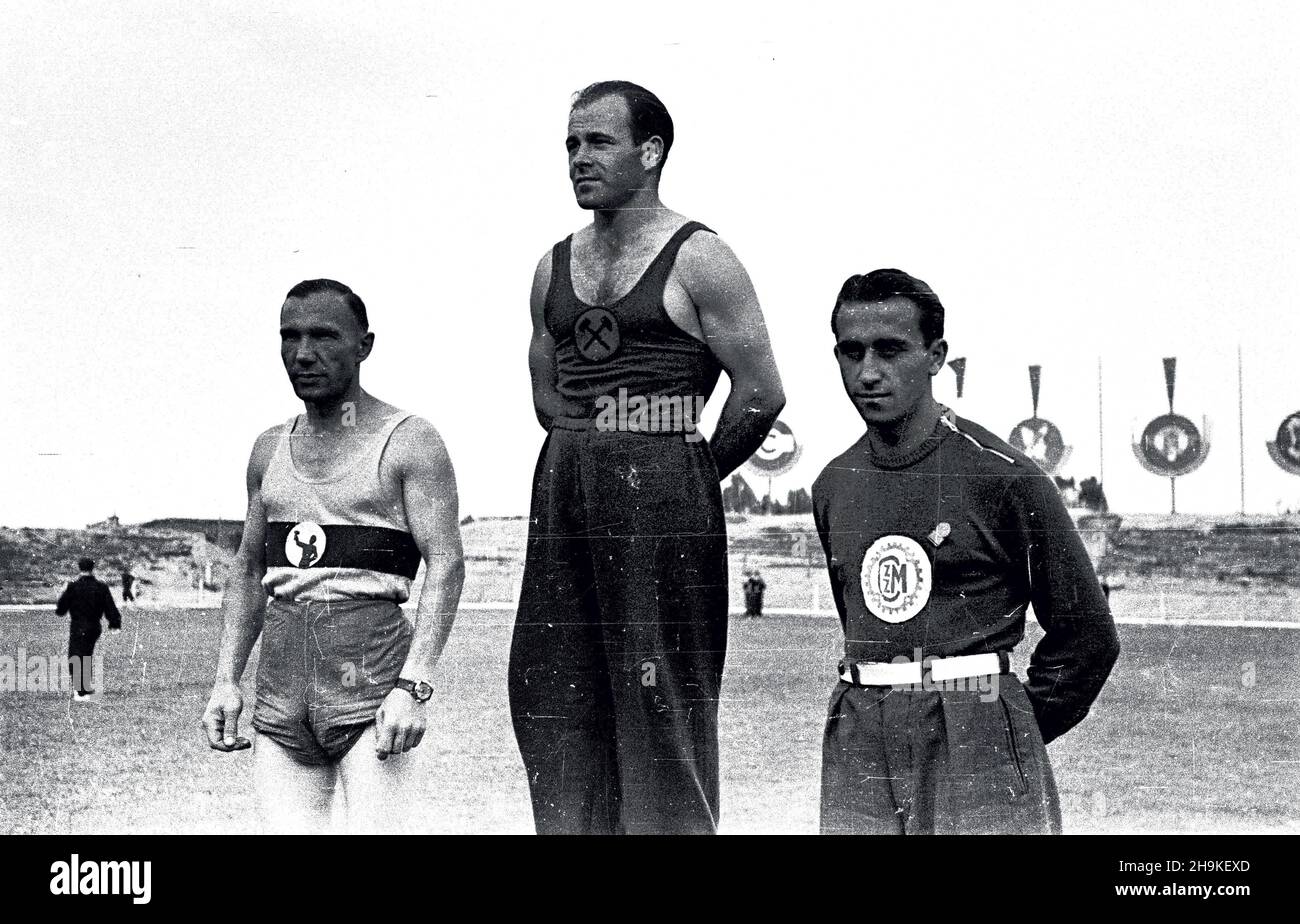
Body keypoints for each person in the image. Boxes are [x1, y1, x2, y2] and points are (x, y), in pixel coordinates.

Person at [508, 80, 785, 834]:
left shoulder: (701, 259)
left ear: (651, 151)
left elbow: (761, 394)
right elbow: (546, 395)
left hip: (662, 503)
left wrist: (681, 473)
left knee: (659, 703)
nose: (577, 159)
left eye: (598, 141)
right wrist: (590, 454)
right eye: (570, 143)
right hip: (564, 499)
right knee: (550, 694)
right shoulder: (550, 267)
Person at [812, 269, 1120, 834]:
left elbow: (1088, 638)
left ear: (936, 356)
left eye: (891, 350)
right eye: (851, 352)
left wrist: (1004, 727)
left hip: (973, 733)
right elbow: (866, 621)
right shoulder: (834, 484)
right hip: (859, 738)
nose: (868, 372)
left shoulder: (1002, 476)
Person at [200, 278, 465, 834]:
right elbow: (249, 571)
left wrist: (413, 685)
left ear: (364, 345)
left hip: (371, 696)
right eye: (290, 337)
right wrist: (227, 679)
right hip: (281, 702)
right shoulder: (268, 448)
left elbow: (446, 564)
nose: (303, 354)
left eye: (323, 336)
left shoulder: (409, 440)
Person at [55, 557, 120, 700]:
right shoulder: (101, 586)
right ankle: (85, 688)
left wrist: (62, 593)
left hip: (78, 625)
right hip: (94, 626)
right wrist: (115, 623)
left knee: (76, 655)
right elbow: (110, 607)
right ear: (92, 568)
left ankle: (80, 691)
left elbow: (60, 610)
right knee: (86, 655)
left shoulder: (73, 586)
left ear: (79, 568)